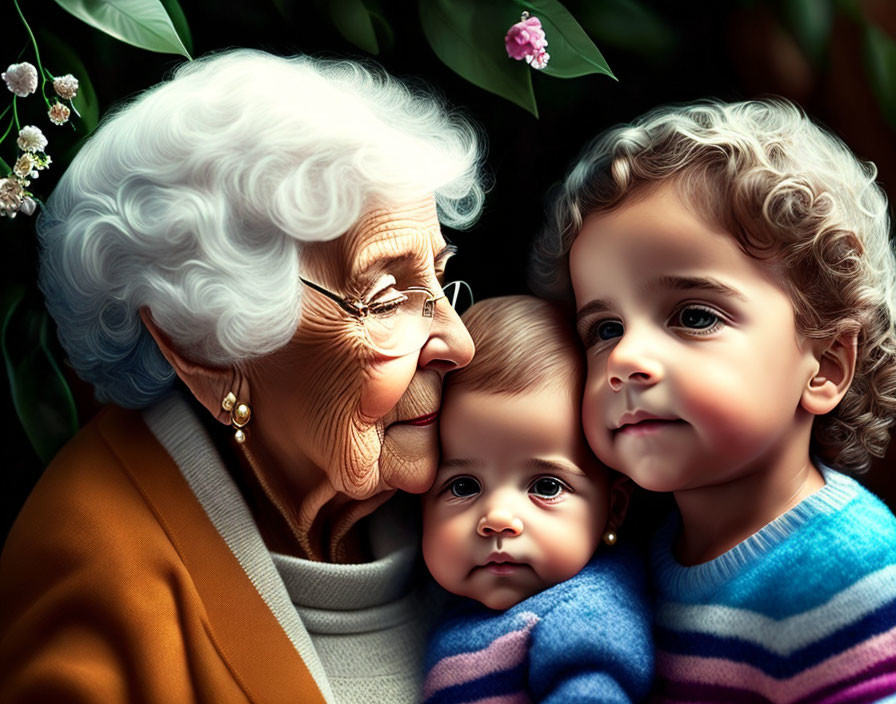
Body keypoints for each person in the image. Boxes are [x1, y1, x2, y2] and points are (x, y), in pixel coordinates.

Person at [0, 49, 485, 703]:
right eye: (389, 298)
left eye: (439, 277)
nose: (458, 342)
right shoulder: (96, 568)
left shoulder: (478, 494)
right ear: (205, 352)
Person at [531, 98, 896, 702]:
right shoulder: (638, 551)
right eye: (605, 329)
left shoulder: (855, 573)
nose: (624, 360)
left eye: (693, 315)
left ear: (826, 365)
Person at [420, 295, 654, 704]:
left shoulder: (587, 610)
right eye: (463, 487)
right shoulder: (448, 610)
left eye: (545, 487)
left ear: (613, 509)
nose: (497, 519)